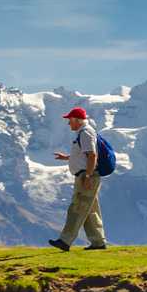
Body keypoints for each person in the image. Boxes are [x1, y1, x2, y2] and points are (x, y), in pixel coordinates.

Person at [49, 108, 106, 251]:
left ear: (76, 121)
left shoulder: (85, 133)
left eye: (70, 121)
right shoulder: (84, 133)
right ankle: (98, 243)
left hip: (86, 176)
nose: (69, 124)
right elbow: (84, 154)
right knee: (89, 211)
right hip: (86, 175)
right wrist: (66, 158)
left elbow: (92, 155)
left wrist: (87, 177)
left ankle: (65, 240)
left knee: (77, 208)